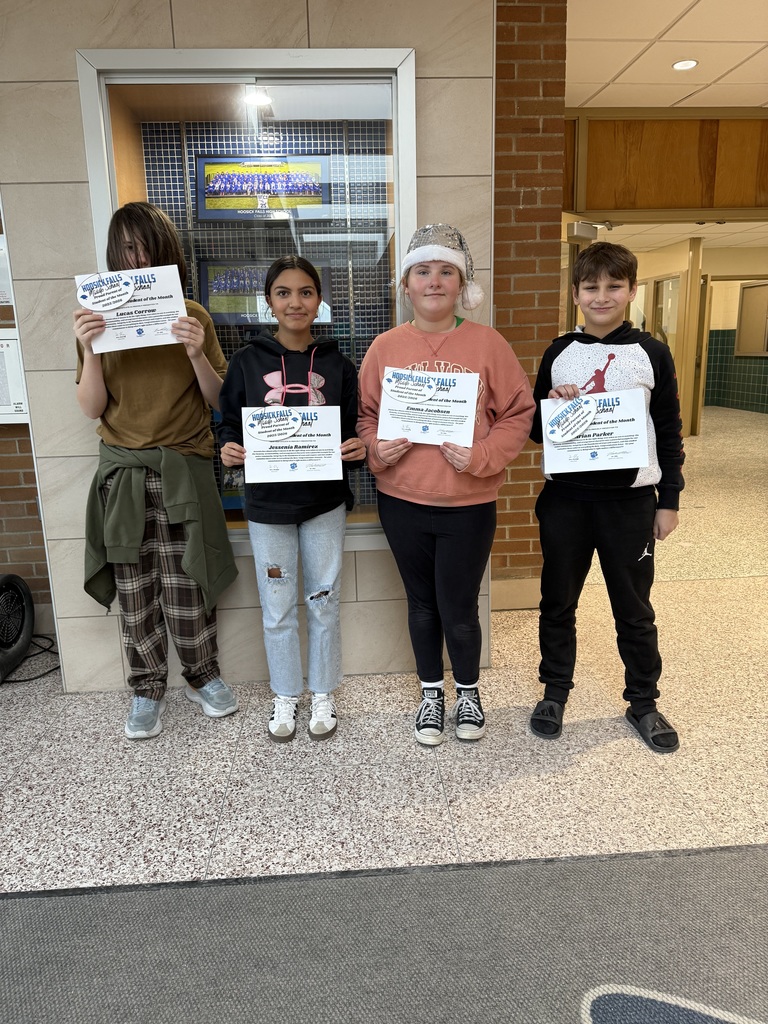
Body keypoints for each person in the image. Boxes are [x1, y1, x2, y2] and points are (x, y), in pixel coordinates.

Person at [357, 224, 536, 746]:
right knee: (421, 604)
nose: (434, 281)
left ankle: (470, 691)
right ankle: (431, 694)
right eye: (423, 271)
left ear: (462, 285)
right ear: (406, 285)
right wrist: (374, 447)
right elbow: (366, 415)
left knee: (459, 608)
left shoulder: (487, 344)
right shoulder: (386, 347)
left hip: (468, 503)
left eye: (445, 272)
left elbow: (518, 413)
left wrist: (482, 456)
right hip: (402, 500)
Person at [75, 202, 239, 740]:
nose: (135, 257)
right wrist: (89, 350)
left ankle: (202, 674)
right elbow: (92, 408)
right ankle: (146, 688)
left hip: (183, 463)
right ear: (113, 255)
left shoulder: (193, 314)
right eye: (125, 248)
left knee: (188, 579)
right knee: (135, 584)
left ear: (165, 251)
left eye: (145, 246)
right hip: (122, 471)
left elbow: (219, 401)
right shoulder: (95, 319)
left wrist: (195, 352)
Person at [529, 241, 685, 753]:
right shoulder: (558, 352)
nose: (602, 296)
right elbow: (535, 429)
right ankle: (554, 691)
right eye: (591, 286)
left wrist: (670, 499)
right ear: (575, 292)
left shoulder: (651, 353)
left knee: (634, 607)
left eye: (614, 286)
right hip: (566, 501)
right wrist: (551, 405)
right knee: (558, 601)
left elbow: (667, 428)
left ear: (631, 290)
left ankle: (643, 701)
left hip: (630, 504)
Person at [217, 255, 365, 742]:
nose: (295, 301)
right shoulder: (245, 362)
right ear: (269, 302)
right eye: (284, 292)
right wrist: (229, 448)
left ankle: (322, 691)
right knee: (276, 604)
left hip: (323, 504)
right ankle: (285, 694)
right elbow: (228, 426)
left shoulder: (339, 365)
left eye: (305, 292)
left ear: (319, 301)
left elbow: (351, 433)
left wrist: (356, 449)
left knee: (323, 602)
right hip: (267, 507)